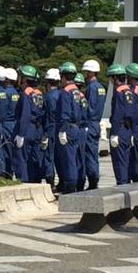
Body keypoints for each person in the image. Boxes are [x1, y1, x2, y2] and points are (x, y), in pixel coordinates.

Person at [56, 62, 87, 193]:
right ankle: (78, 184)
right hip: (78, 128)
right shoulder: (79, 93)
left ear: (63, 76)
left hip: (68, 128)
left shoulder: (65, 92)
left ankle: (70, 187)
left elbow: (64, 113)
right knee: (78, 159)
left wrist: (62, 130)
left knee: (69, 161)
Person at [14, 65, 46, 183]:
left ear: (25, 79)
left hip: (27, 128)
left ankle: (24, 182)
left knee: (22, 157)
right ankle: (35, 181)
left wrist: (21, 134)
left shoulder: (25, 93)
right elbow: (43, 112)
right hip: (38, 128)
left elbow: (25, 114)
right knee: (35, 157)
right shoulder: (39, 93)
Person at [107, 63, 134, 185]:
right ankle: (125, 185)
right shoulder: (128, 90)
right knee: (126, 161)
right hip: (128, 129)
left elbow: (118, 113)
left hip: (120, 129)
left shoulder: (118, 91)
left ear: (115, 78)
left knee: (119, 162)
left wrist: (114, 133)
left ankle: (122, 186)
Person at [81, 60, 106, 190]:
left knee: (89, 154)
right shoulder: (101, 87)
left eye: (86, 72)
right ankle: (94, 178)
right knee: (94, 154)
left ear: (90, 72)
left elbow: (88, 107)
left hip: (90, 123)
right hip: (96, 123)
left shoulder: (91, 87)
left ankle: (92, 181)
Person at [43, 68, 60, 189]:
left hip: (50, 128)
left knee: (49, 157)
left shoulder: (48, 97)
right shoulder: (62, 94)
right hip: (61, 127)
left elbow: (46, 115)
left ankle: (50, 182)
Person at [3, 67, 20, 179]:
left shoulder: (5, 93)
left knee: (6, 150)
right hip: (15, 123)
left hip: (6, 123)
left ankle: (8, 173)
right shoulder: (17, 93)